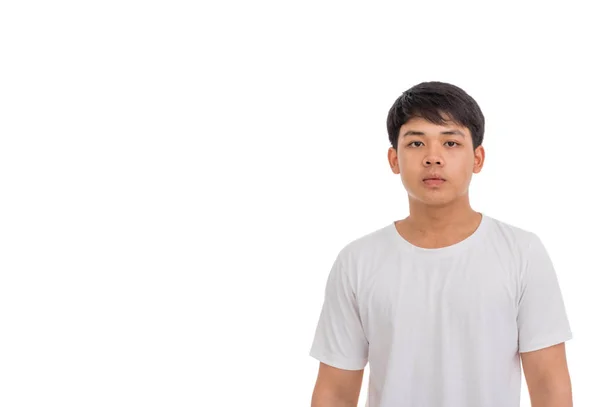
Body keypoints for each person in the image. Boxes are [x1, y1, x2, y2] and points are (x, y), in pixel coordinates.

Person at [308, 81, 573, 407]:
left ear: (478, 158)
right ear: (394, 160)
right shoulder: (357, 261)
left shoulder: (522, 253)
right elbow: (334, 391)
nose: (433, 157)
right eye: (416, 143)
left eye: (450, 142)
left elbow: (549, 385)